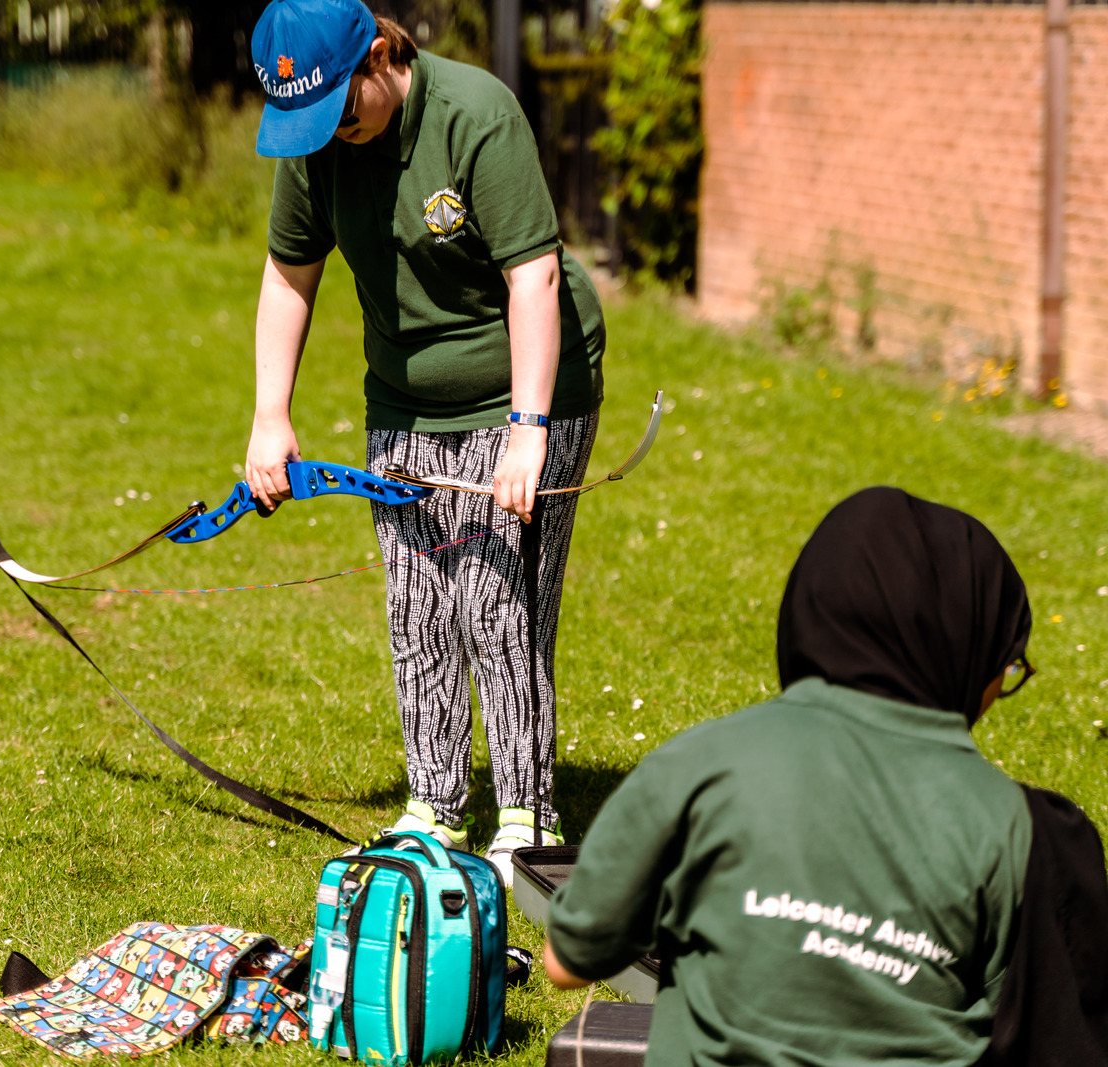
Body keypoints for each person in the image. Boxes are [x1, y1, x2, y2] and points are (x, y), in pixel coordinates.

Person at [543, 486, 1108, 1066]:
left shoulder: (702, 764)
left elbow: (566, 962)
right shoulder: (1026, 836)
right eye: (1005, 667)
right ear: (964, 653)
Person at [244, 0, 606, 880]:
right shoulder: (316, 143)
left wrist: (527, 432)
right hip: (404, 401)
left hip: (526, 383)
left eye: (342, 108)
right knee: (418, 604)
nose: (331, 133)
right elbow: (290, 273)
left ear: (378, 54)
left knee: (495, 603)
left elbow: (535, 274)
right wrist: (269, 414)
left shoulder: (475, 115)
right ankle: (435, 807)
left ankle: (526, 814)